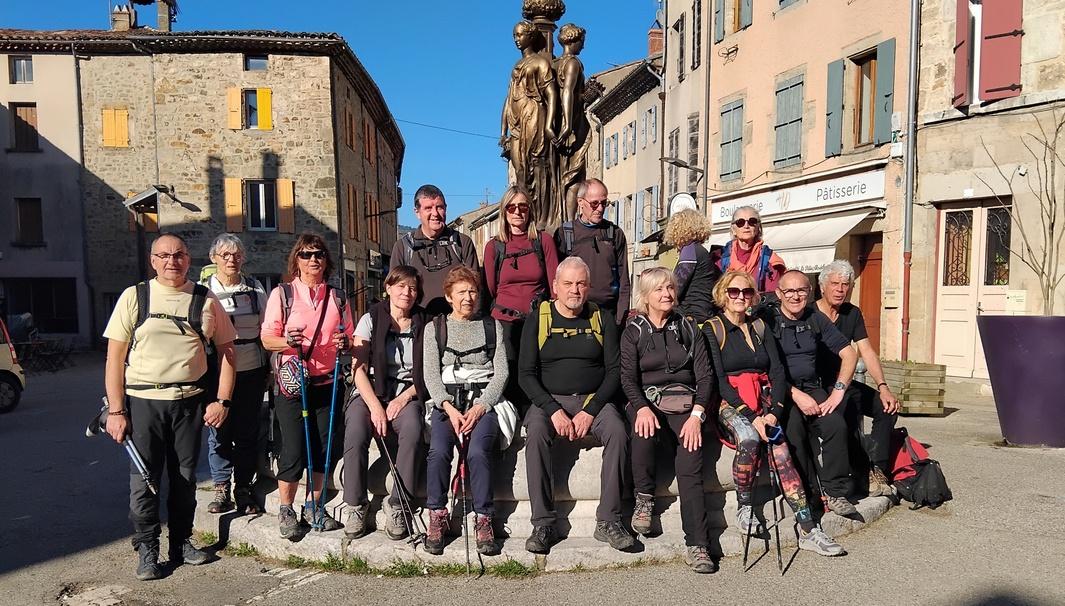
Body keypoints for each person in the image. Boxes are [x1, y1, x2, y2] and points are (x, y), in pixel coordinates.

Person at [103, 233, 238, 580]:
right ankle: (147, 548)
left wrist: (222, 400)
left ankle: (181, 542)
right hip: (144, 402)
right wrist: (116, 411)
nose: (171, 261)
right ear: (152, 260)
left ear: (188, 259)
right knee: (144, 481)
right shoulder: (135, 297)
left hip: (189, 404)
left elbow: (228, 353)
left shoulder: (205, 300)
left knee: (185, 479)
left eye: (178, 255)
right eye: (163, 255)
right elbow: (115, 357)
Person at [704, 270, 845, 557]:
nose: (740, 297)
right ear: (723, 295)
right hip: (730, 402)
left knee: (782, 451)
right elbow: (718, 380)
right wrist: (750, 415)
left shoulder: (759, 326)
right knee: (749, 438)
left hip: (763, 401)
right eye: (734, 292)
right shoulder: (712, 328)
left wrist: (774, 412)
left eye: (746, 292)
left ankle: (808, 527)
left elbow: (777, 371)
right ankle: (745, 508)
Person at [519, 256, 633, 554]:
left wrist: (590, 411)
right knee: (536, 435)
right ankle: (543, 523)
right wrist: (553, 410)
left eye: (581, 283)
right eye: (567, 283)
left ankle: (609, 520)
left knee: (618, 432)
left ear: (589, 286)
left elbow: (614, 372)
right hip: (549, 401)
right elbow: (526, 374)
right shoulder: (539, 318)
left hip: (592, 398)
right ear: (555, 286)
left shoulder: (601, 318)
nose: (575, 290)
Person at [621, 267, 717, 574]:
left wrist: (698, 415)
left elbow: (705, 375)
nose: (667, 294)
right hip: (647, 399)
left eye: (670, 288)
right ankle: (644, 497)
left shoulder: (689, 327)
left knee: (691, 461)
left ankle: (698, 544)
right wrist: (641, 407)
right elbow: (627, 377)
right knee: (643, 432)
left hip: (686, 403)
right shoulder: (634, 330)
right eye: (659, 290)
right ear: (646, 297)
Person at [261, 233, 353, 539]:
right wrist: (287, 341)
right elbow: (267, 338)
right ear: (296, 260)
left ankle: (314, 506)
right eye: (306, 254)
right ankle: (286, 509)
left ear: (326, 261)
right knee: (293, 448)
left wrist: (345, 342)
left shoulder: (338, 297)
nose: (313, 260)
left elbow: (350, 337)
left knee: (324, 447)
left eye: (319, 255)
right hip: (293, 385)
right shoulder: (283, 295)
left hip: (328, 381)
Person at [422, 266, 508, 556]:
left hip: (483, 402)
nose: (468, 297)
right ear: (449, 296)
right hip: (447, 404)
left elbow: (501, 372)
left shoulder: (491, 326)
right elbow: (431, 374)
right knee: (439, 451)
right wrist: (448, 406)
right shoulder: (434, 328)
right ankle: (437, 515)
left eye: (472, 291)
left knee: (478, 452)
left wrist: (482, 406)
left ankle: (484, 518)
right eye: (461, 292)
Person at [343, 265, 430, 540]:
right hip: (370, 391)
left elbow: (430, 372)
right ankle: (356, 504)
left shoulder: (425, 323)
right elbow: (357, 369)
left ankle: (399, 504)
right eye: (401, 286)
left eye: (413, 288)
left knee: (414, 429)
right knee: (356, 431)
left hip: (409, 392)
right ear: (388, 288)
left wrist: (404, 398)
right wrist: (376, 407)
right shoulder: (371, 318)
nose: (407, 292)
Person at [769, 270, 860, 516]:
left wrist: (838, 392)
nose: (796, 296)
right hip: (782, 390)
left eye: (801, 290)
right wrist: (795, 395)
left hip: (812, 386)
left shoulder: (815, 318)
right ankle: (808, 495)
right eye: (789, 291)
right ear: (779, 293)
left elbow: (850, 354)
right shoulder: (768, 320)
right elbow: (764, 367)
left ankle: (835, 492)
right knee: (795, 432)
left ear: (809, 293)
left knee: (835, 427)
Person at [815, 260, 900, 497]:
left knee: (887, 408)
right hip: (821, 387)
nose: (840, 289)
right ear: (823, 286)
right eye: (835, 284)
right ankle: (861, 472)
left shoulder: (852, 313)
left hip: (847, 382)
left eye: (845, 284)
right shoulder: (810, 312)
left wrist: (883, 387)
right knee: (847, 413)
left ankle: (877, 469)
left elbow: (867, 350)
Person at [201, 234, 269, 516]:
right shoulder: (203, 290)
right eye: (226, 255)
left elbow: (267, 329)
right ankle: (220, 486)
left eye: (237, 254)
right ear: (213, 258)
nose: (232, 259)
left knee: (246, 431)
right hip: (216, 372)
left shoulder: (255, 288)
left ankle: (242, 485)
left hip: (252, 369)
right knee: (218, 430)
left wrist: (272, 370)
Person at [483, 185, 559, 413]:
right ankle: (511, 416)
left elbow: (554, 282)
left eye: (522, 206)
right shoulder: (494, 246)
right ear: (504, 212)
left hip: (537, 317)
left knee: (536, 368)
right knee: (508, 368)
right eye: (511, 207)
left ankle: (535, 413)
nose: (517, 212)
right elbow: (489, 288)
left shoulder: (543, 241)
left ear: (530, 210)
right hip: (504, 321)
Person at [389, 184, 479, 316]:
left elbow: (476, 287)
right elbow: (395, 293)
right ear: (417, 212)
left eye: (439, 207)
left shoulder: (462, 243)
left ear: (446, 209)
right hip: (418, 326)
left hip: (457, 324)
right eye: (428, 208)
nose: (435, 213)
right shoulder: (403, 247)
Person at [713, 206, 786, 295]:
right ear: (733, 229)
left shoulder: (770, 259)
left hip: (758, 308)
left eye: (752, 222)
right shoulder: (719, 257)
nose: (746, 226)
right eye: (740, 222)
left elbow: (773, 295)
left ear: (758, 228)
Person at [664, 209, 720, 323]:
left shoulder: (690, 250)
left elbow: (677, 286)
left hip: (691, 315)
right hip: (703, 312)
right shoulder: (699, 250)